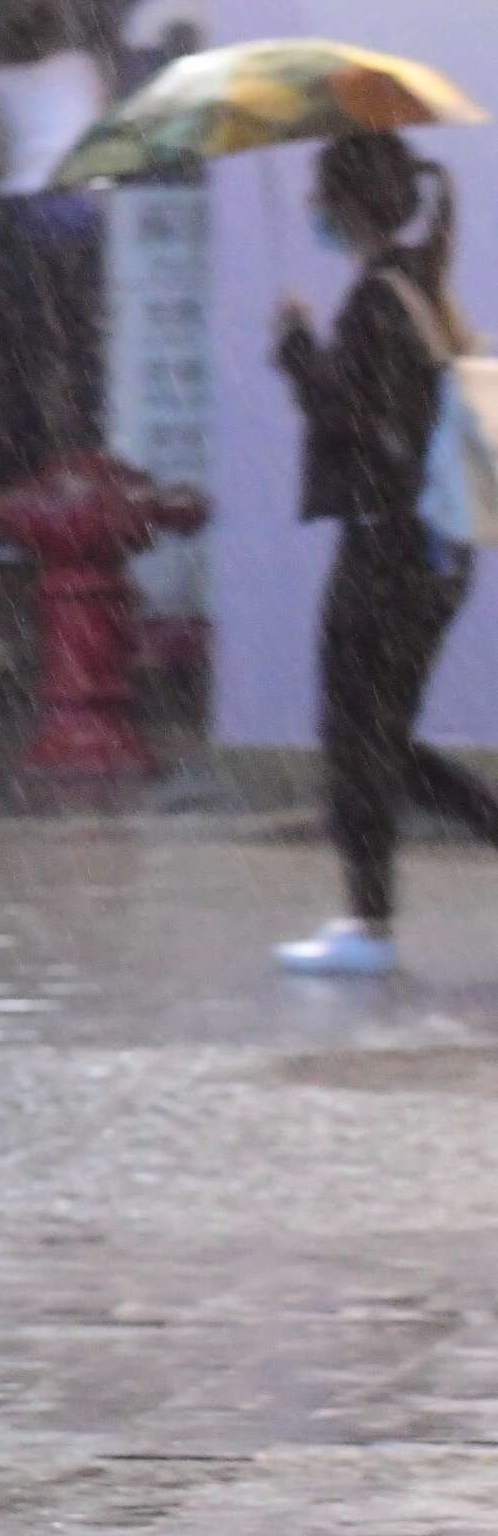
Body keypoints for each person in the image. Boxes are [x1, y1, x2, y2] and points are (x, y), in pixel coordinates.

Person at [271, 130, 498, 975]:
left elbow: (366, 428)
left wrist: (297, 350)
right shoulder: (417, 289)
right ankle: (369, 917)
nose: (308, 210)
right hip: (430, 552)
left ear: (346, 205)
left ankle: (369, 926)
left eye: (316, 193)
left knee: (357, 736)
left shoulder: (378, 299)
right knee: (381, 741)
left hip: (389, 550)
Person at [0, 4, 112, 480]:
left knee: (22, 344)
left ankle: (27, 457)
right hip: (83, 211)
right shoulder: (82, 68)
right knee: (83, 333)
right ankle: (92, 438)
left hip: (24, 216)